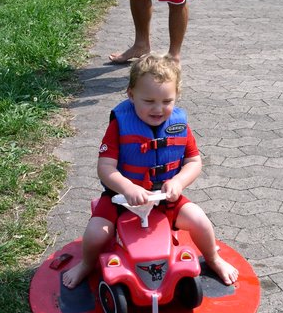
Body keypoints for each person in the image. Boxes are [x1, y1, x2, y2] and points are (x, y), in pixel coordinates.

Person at [63, 53, 239, 289]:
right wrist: (128, 187)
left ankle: (213, 259)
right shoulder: (119, 126)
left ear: (176, 96)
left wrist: (178, 182)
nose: (158, 109)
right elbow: (105, 168)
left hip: (165, 198)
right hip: (121, 200)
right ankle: (86, 264)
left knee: (200, 220)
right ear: (131, 94)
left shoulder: (179, 125)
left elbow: (194, 162)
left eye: (167, 101)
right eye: (148, 101)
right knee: (96, 233)